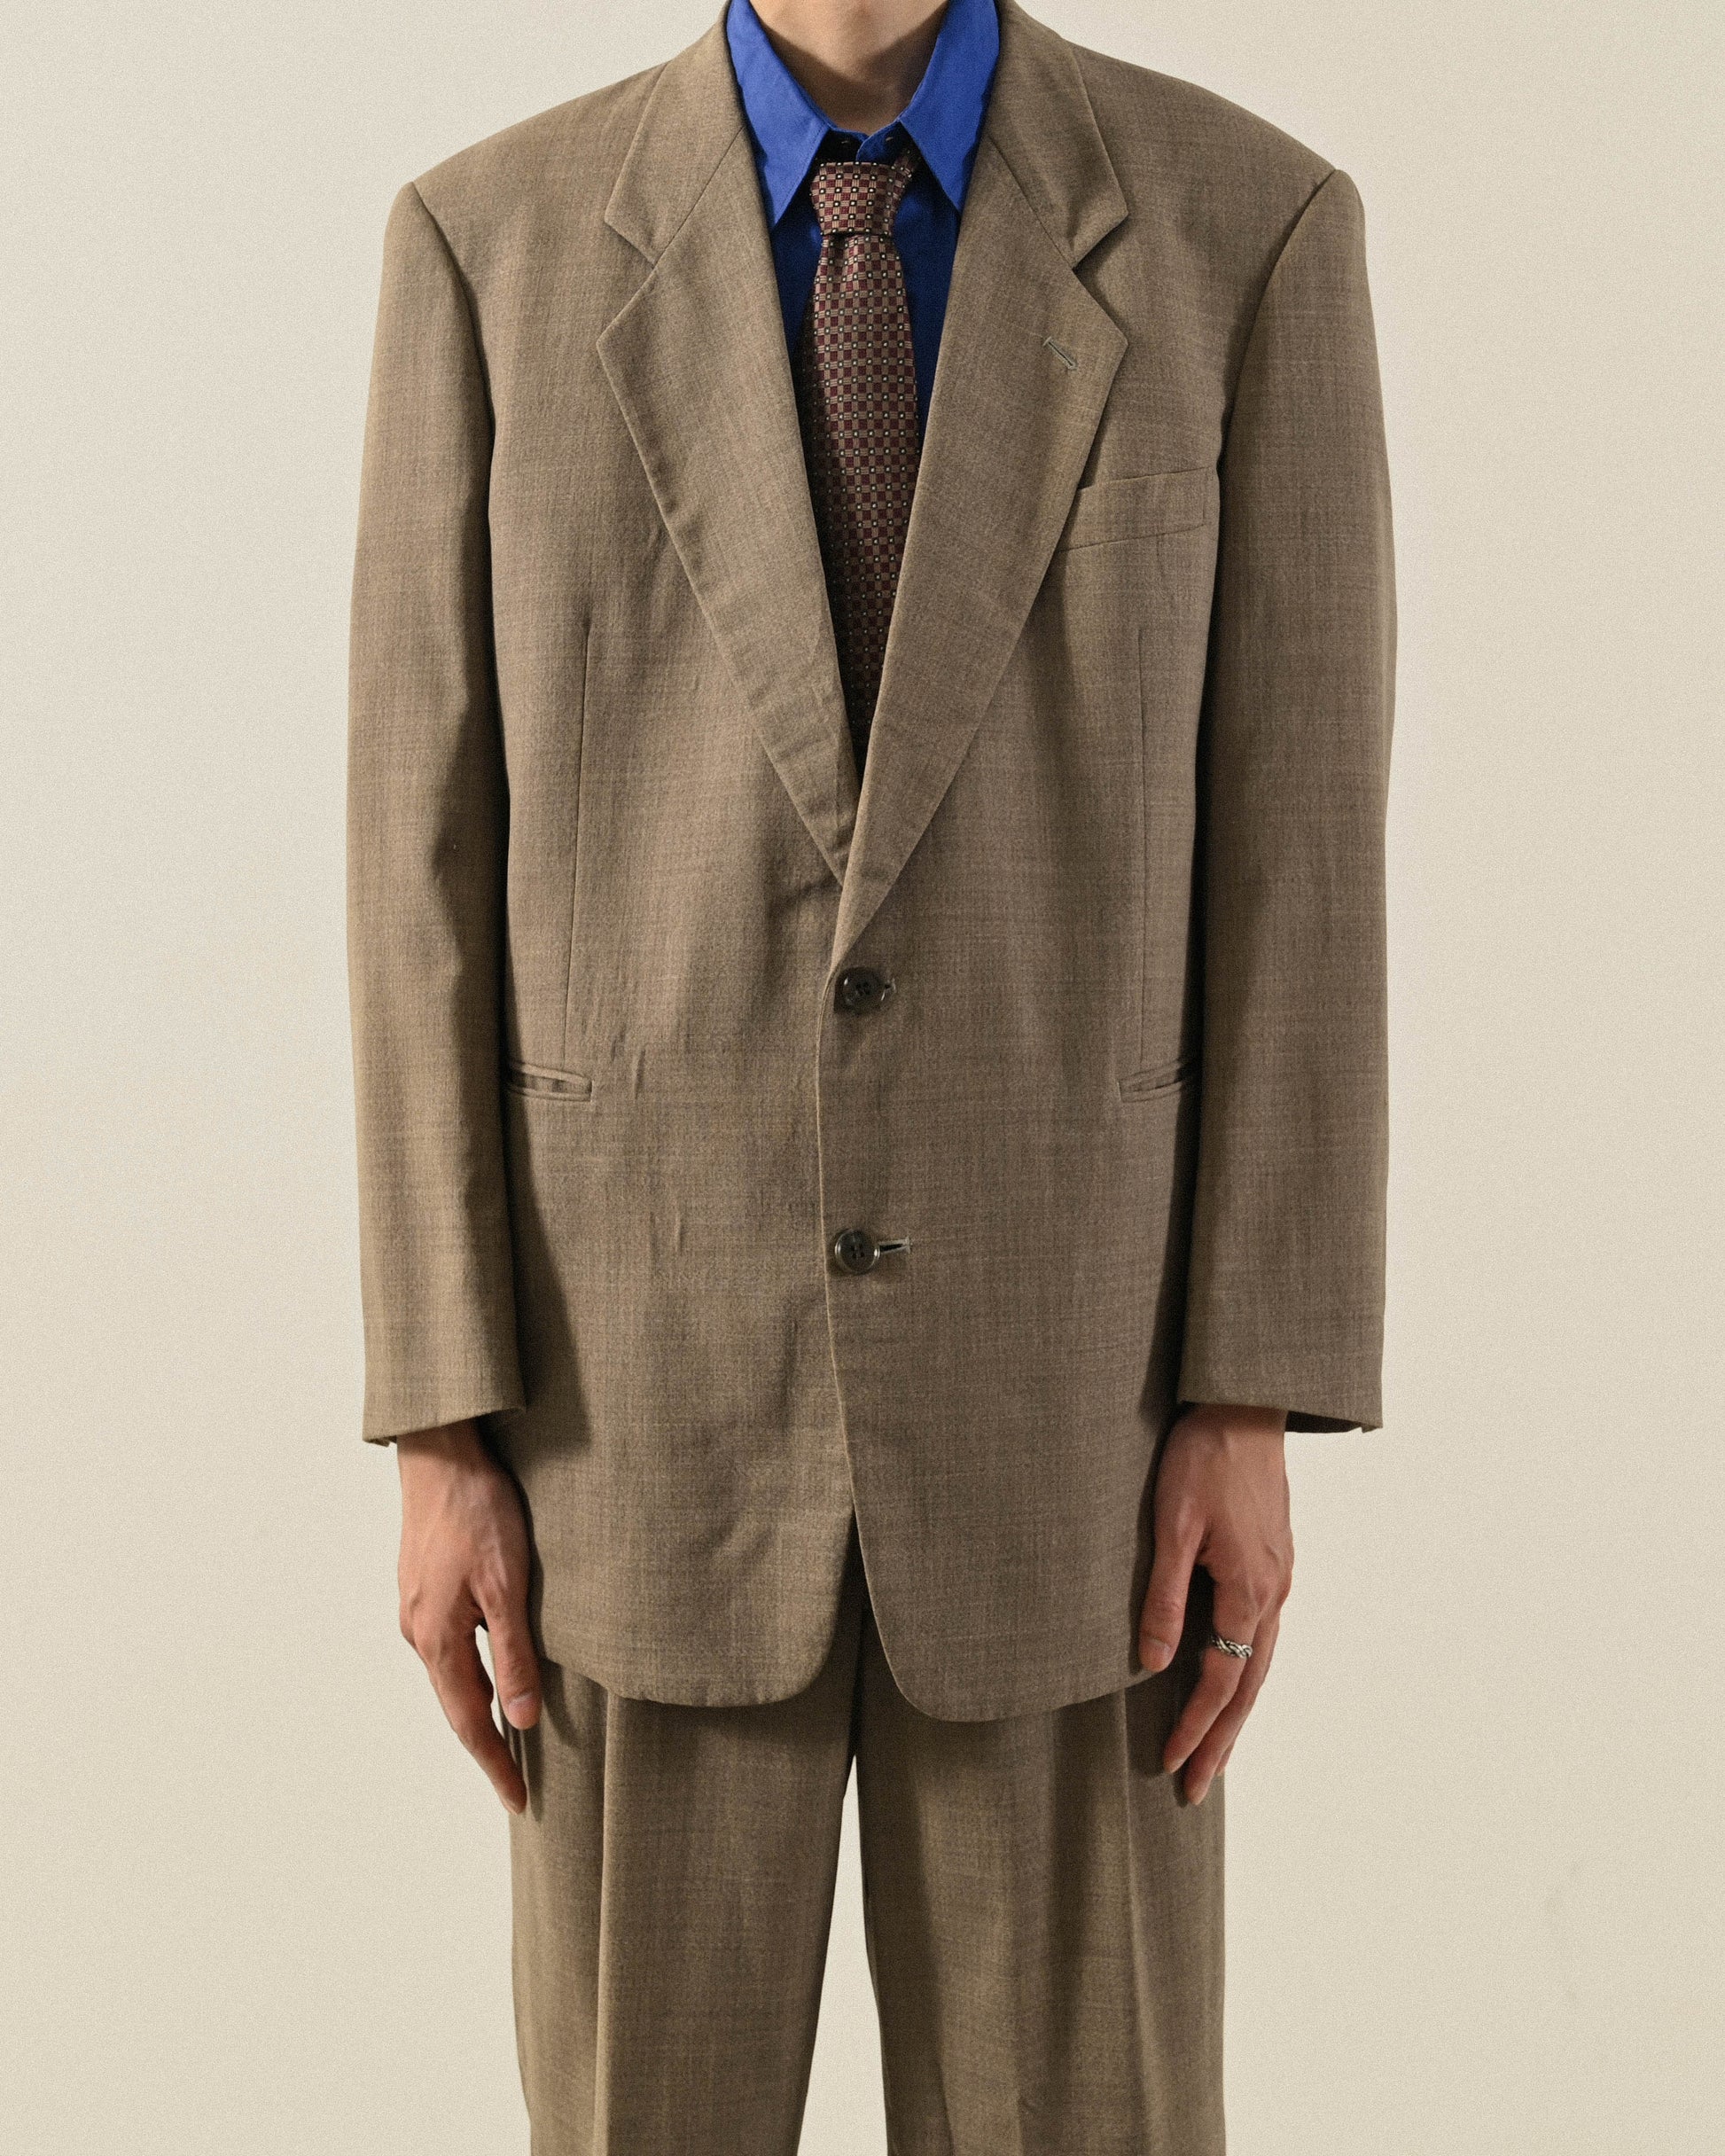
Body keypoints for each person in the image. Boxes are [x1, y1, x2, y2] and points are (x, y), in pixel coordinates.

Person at [347, 0, 1394, 2146]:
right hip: (624, 1429)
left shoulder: (1248, 231)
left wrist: (1248, 1386)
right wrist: (440, 1417)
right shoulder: (488, 247)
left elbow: (1301, 849)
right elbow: (416, 863)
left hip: (1080, 1437)